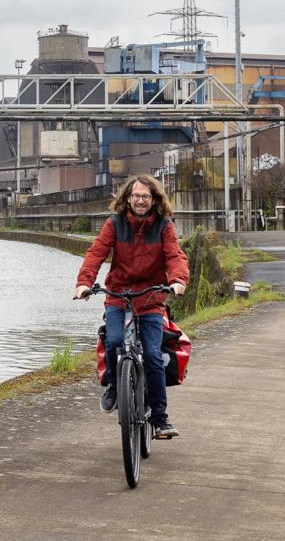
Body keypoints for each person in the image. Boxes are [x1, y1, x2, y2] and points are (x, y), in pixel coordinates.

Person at [74, 173, 188, 439]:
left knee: (153, 356)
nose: (140, 200)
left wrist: (177, 281)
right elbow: (96, 253)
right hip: (119, 295)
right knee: (114, 340)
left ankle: (160, 419)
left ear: (154, 199)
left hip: (150, 298)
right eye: (136, 195)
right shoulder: (114, 224)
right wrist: (84, 283)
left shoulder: (164, 227)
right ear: (127, 198)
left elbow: (175, 256)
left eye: (145, 196)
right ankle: (114, 386)